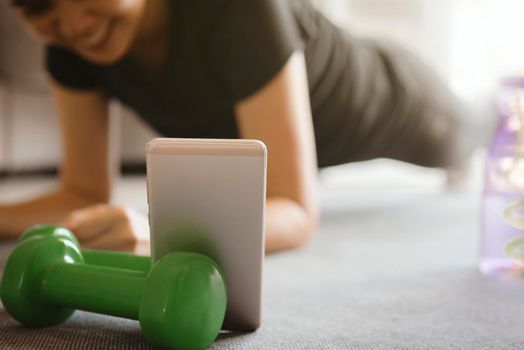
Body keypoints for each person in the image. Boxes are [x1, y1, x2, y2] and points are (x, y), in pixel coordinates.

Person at [1, 0, 476, 253]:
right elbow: (82, 191)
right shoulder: (69, 46)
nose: (71, 22)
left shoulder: (239, 6)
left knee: (474, 132)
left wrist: (161, 232)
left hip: (393, 100)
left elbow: (293, 208)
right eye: (36, 5)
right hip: (321, 136)